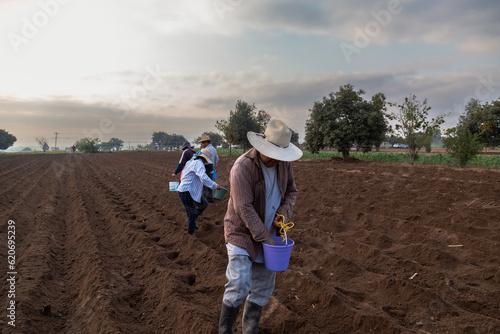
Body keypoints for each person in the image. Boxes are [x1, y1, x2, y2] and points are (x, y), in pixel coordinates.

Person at [219, 119, 302, 334]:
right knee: (240, 283)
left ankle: (250, 331)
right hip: (242, 234)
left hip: (271, 234)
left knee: (263, 288)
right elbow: (244, 208)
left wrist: (283, 212)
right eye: (272, 154)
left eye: (280, 156)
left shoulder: (284, 164)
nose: (276, 160)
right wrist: (267, 239)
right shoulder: (242, 167)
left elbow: (292, 192)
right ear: (261, 146)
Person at [177, 148, 221, 238]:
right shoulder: (199, 163)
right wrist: (214, 185)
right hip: (186, 191)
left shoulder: (192, 161)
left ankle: (191, 221)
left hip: (191, 190)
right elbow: (203, 177)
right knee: (192, 211)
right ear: (204, 159)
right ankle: (191, 231)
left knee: (203, 204)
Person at [198, 135, 219, 203]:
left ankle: (208, 199)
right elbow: (216, 159)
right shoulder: (214, 149)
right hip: (211, 168)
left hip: (206, 168)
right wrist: (214, 166)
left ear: (206, 142)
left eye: (203, 142)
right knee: (209, 182)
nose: (202, 144)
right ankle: (208, 197)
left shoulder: (205, 150)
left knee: (206, 183)